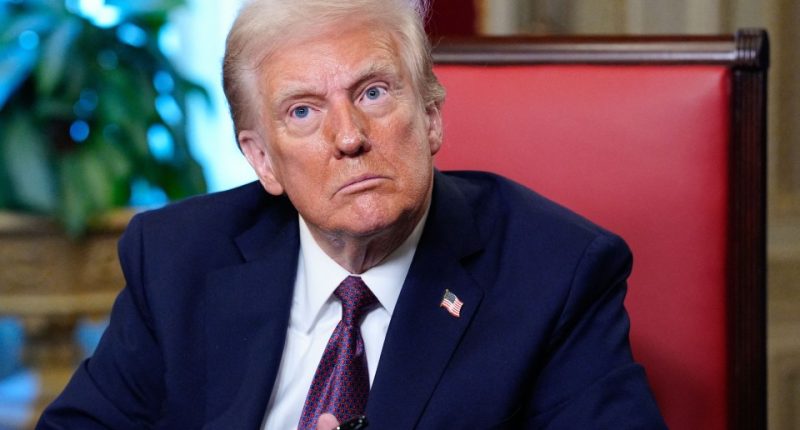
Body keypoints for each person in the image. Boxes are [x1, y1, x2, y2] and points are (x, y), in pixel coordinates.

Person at [37, 0, 666, 428]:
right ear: (263, 160)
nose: (348, 136)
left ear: (430, 116)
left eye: (372, 92)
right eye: (303, 111)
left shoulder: (556, 273)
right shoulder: (178, 258)